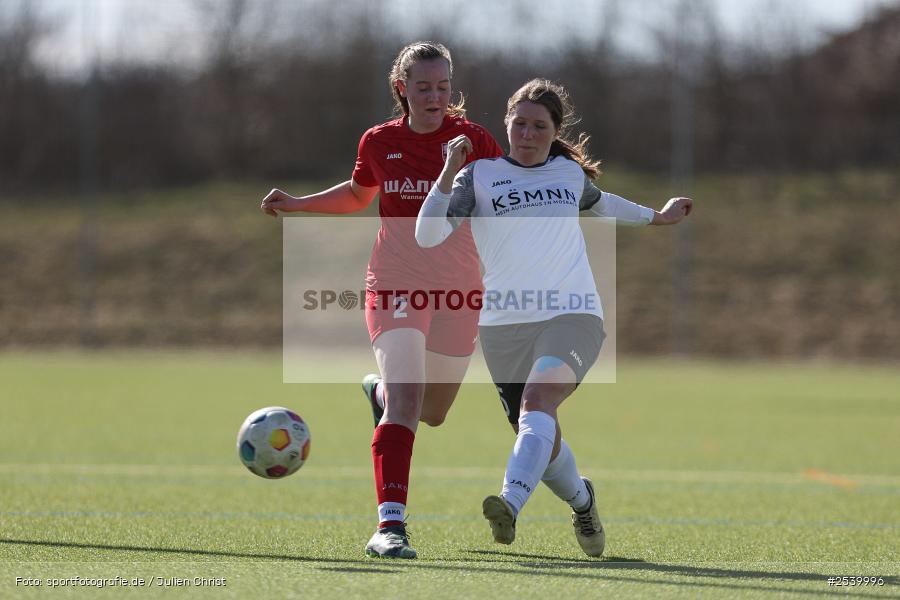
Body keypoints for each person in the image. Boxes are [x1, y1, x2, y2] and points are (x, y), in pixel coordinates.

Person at [415, 78, 692, 556]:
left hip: (573, 314)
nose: (527, 133)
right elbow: (427, 235)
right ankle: (583, 501)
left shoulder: (566, 174)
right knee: (541, 439)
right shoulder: (476, 176)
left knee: (537, 404)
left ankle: (509, 503)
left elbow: (603, 204)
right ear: (506, 124)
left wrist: (658, 217)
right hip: (504, 326)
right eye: (519, 123)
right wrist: (446, 173)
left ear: (554, 129)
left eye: (538, 125)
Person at [260, 42, 502, 559]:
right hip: (395, 281)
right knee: (409, 401)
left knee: (431, 413)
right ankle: (390, 526)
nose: (435, 96)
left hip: (459, 290)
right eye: (423, 87)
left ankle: (380, 398)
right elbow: (357, 193)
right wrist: (299, 204)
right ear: (402, 90)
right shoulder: (379, 141)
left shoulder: (475, 140)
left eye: (442, 86)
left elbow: (500, 201)